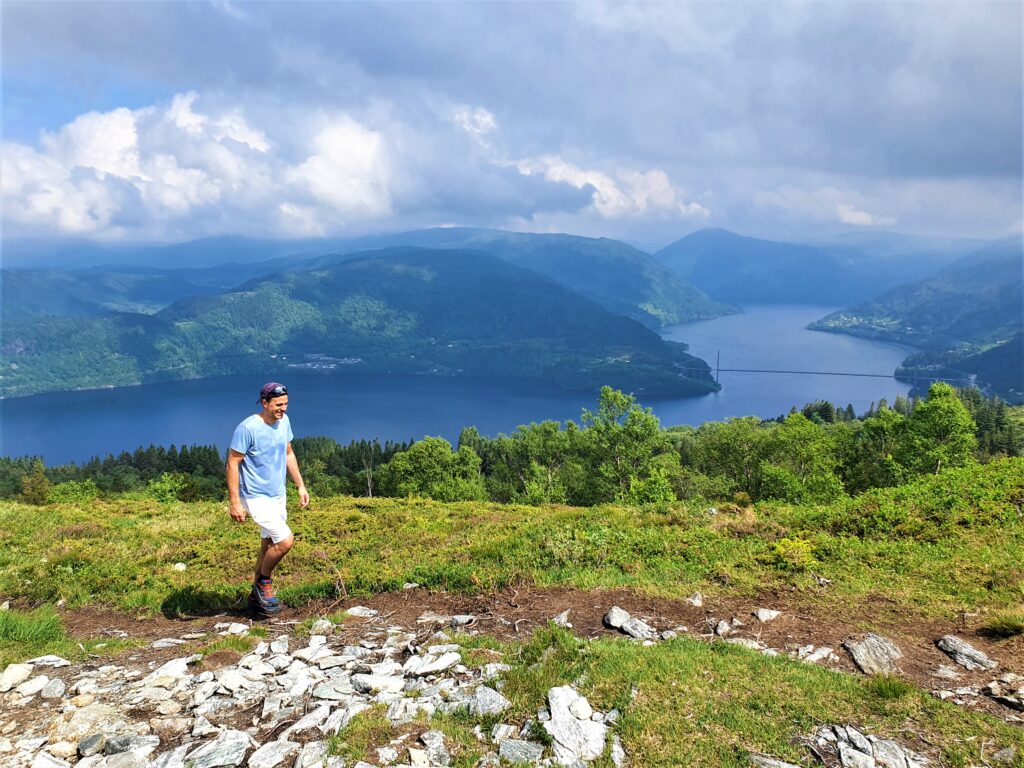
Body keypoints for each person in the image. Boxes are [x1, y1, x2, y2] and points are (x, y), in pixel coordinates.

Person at [226, 382, 309, 616]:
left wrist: (300, 486)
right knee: (285, 541)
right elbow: (233, 462)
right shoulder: (248, 428)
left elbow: (288, 453)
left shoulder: (284, 422)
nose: (283, 409)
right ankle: (264, 582)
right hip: (255, 496)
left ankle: (255, 599)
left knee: (269, 545)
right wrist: (235, 502)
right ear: (264, 403)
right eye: (278, 405)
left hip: (277, 495)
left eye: (285, 404)